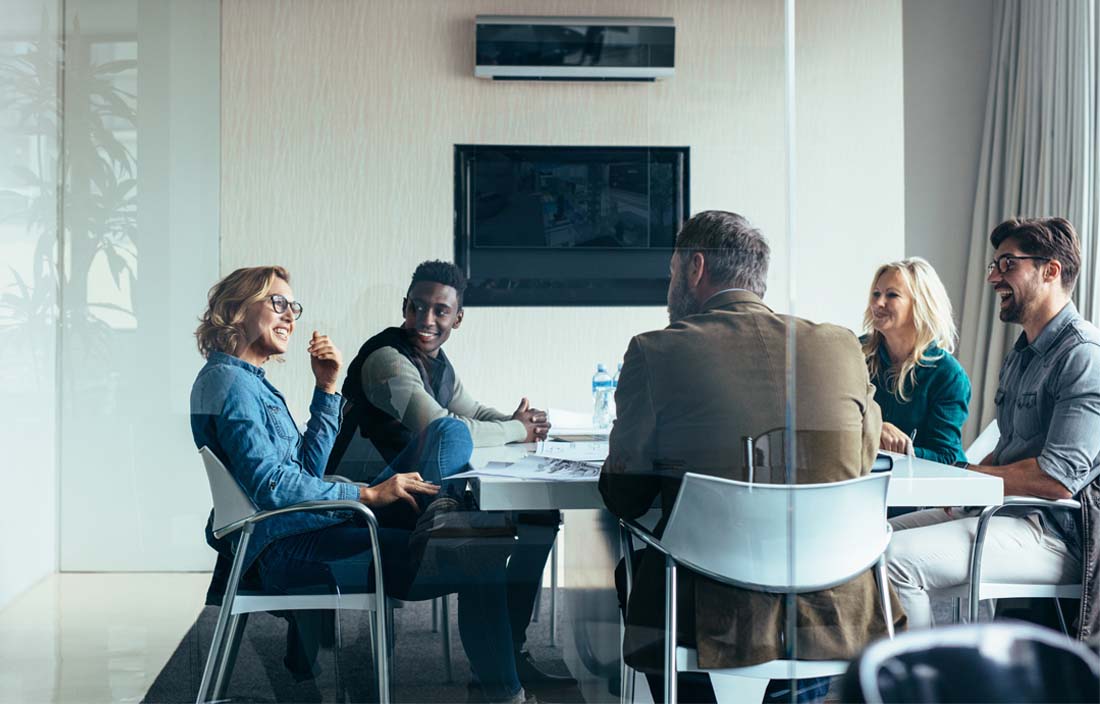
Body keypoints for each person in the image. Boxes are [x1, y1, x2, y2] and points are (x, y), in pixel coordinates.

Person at [189, 266, 534, 704]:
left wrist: (327, 389)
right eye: (277, 302)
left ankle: (443, 527)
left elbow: (304, 473)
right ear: (236, 308)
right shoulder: (230, 383)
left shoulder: (244, 382)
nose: (290, 316)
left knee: (450, 439)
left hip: (305, 533)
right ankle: (505, 693)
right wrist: (366, 494)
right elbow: (273, 487)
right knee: (477, 553)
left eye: (292, 306)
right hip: (293, 553)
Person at [599, 211, 904, 703]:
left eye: (673, 271)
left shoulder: (655, 351)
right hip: (834, 597)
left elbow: (626, 495)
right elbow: (860, 460)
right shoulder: (841, 345)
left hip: (710, 604)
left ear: (696, 267)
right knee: (799, 581)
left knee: (634, 569)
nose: (670, 283)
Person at [332, 260, 571, 689]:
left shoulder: (439, 362)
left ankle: (509, 653)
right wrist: (516, 430)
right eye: (417, 308)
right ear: (404, 307)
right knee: (456, 463)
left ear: (457, 319)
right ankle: (496, 660)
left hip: (419, 496)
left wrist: (519, 424)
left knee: (539, 516)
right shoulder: (387, 359)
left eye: (440, 311)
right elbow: (443, 426)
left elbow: (473, 412)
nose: (426, 320)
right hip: (370, 500)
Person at [887, 217, 1100, 630]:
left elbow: (1055, 479)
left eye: (1007, 265)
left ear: (1050, 271)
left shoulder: (1084, 357)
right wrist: (963, 486)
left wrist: (966, 477)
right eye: (993, 265)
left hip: (1056, 533)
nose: (992, 277)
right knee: (868, 543)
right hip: (1006, 514)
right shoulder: (1022, 354)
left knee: (896, 561)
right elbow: (1007, 446)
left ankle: (912, 686)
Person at [861, 257, 970, 464]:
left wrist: (901, 449)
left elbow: (947, 456)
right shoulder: (856, 353)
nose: (878, 303)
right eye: (876, 294)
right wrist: (875, 428)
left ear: (921, 304)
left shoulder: (948, 374)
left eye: (891, 295)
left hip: (921, 489)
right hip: (865, 481)